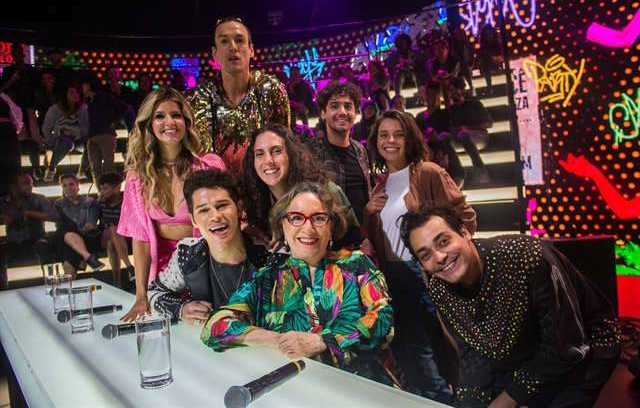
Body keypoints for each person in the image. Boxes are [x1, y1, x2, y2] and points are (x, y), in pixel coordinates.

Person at [400, 203, 621, 408]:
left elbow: (565, 345)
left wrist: (508, 399)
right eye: (426, 254)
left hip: (584, 347)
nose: (439, 257)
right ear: (422, 265)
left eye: (444, 241)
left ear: (465, 232)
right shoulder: (440, 288)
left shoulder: (528, 258)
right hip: (520, 353)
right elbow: (473, 353)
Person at [201, 182, 401, 388]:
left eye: (319, 218)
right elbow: (215, 326)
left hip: (360, 386)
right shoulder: (266, 280)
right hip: (293, 389)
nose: (308, 228)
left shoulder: (356, 265)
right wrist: (274, 339)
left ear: (331, 227)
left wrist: (324, 342)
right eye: (296, 218)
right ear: (283, 227)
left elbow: (383, 320)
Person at [364, 110, 477, 404]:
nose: (391, 140)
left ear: (409, 138)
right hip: (392, 278)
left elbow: (465, 219)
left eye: (398, 134)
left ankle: (446, 400)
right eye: (384, 135)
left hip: (424, 274)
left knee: (431, 351)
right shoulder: (379, 186)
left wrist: (444, 258)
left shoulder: (427, 172)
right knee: (409, 353)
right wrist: (368, 211)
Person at [117, 86, 226, 322]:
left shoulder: (209, 166)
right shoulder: (137, 177)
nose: (170, 122)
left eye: (176, 115)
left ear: (186, 121)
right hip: (162, 277)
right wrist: (141, 294)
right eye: (160, 116)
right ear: (149, 124)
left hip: (206, 267)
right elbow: (141, 239)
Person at [148, 169, 273, 324]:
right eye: (204, 210)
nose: (215, 216)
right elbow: (154, 292)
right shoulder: (187, 255)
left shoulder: (269, 257)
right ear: (193, 220)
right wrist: (180, 309)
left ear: (239, 209)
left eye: (222, 205)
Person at [239, 125, 369, 255]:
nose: (269, 161)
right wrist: (261, 232)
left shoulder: (327, 192)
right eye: (260, 154)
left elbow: (348, 249)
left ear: (291, 154)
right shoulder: (255, 199)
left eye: (276, 151)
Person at [188, 17, 290, 174]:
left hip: (265, 183)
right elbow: (195, 157)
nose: (233, 47)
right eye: (224, 41)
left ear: (251, 50)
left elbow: (283, 148)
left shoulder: (270, 89)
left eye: (239, 40)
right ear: (214, 53)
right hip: (216, 189)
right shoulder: (198, 98)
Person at [308, 82, 374, 225]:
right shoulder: (310, 154)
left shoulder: (361, 150)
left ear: (355, 113)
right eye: (335, 106)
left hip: (364, 240)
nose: (342, 112)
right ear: (323, 113)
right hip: (330, 240)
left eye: (348, 106)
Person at [0, 173, 59, 290]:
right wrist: (2, 216)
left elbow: (55, 215)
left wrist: (30, 213)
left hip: (36, 240)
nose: (30, 186)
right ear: (13, 186)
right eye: (25, 183)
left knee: (44, 246)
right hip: (14, 242)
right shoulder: (2, 202)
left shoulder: (38, 198)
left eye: (31, 183)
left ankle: (53, 288)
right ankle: (2, 292)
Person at [77, 70, 133, 185]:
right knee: (95, 169)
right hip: (92, 136)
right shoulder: (89, 102)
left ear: (88, 84)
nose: (82, 87)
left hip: (105, 134)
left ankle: (113, 193)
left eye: (83, 84)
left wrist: (114, 121)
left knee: (108, 166)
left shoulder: (104, 97)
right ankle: (101, 195)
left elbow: (124, 107)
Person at [53, 174, 105, 279]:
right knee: (65, 229)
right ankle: (88, 257)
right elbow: (58, 224)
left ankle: (69, 287)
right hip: (65, 238)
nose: (68, 188)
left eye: (71, 184)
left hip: (86, 238)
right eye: (65, 186)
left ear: (77, 185)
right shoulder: (59, 203)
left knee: (70, 252)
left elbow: (89, 226)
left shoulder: (89, 201)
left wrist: (91, 226)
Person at [446, 77, 493, 184]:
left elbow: (489, 123)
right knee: (443, 137)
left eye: (456, 89)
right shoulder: (449, 110)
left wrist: (466, 128)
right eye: (451, 90)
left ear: (462, 90)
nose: (453, 92)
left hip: (480, 137)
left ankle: (482, 171)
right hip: (460, 138)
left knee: (463, 134)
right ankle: (457, 172)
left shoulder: (474, 104)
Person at [42, 86, 89, 182]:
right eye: (71, 92)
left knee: (90, 144)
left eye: (76, 93)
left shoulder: (84, 108)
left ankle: (82, 171)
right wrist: (50, 144)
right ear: (65, 96)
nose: (75, 95)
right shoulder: (55, 109)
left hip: (80, 137)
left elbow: (90, 124)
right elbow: (46, 127)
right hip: (63, 137)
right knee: (65, 142)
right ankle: (51, 168)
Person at [97, 172, 134, 287]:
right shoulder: (100, 203)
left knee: (111, 244)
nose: (101, 192)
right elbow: (101, 223)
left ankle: (117, 282)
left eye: (105, 188)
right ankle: (129, 267)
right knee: (113, 229)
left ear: (116, 189)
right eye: (101, 188)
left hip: (123, 237)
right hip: (105, 234)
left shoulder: (126, 203)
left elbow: (129, 224)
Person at [424, 39, 461, 107]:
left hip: (453, 85)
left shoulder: (455, 61)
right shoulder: (432, 63)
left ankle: (449, 107)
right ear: (435, 52)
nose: (440, 50)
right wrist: (441, 75)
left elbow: (454, 76)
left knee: (446, 84)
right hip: (439, 86)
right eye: (438, 49)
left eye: (442, 48)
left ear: (447, 50)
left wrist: (443, 77)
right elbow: (434, 78)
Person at [0, 95, 22, 197]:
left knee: (12, 161)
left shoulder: (3, 96)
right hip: (6, 130)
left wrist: (17, 124)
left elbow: (16, 110)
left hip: (8, 130)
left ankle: (12, 196)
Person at [476, 25, 504, 96]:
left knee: (484, 55)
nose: (488, 36)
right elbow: (477, 61)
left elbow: (503, 57)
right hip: (486, 69)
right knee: (483, 55)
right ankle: (495, 69)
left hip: (498, 65)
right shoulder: (482, 48)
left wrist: (493, 58)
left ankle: (489, 87)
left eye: (490, 34)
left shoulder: (498, 45)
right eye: (486, 35)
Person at [450, 28, 476, 98]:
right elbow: (452, 59)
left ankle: (471, 87)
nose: (457, 36)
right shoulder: (452, 47)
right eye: (456, 35)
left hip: (468, 65)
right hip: (456, 66)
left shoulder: (469, 46)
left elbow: (472, 58)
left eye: (459, 34)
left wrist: (468, 64)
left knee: (465, 67)